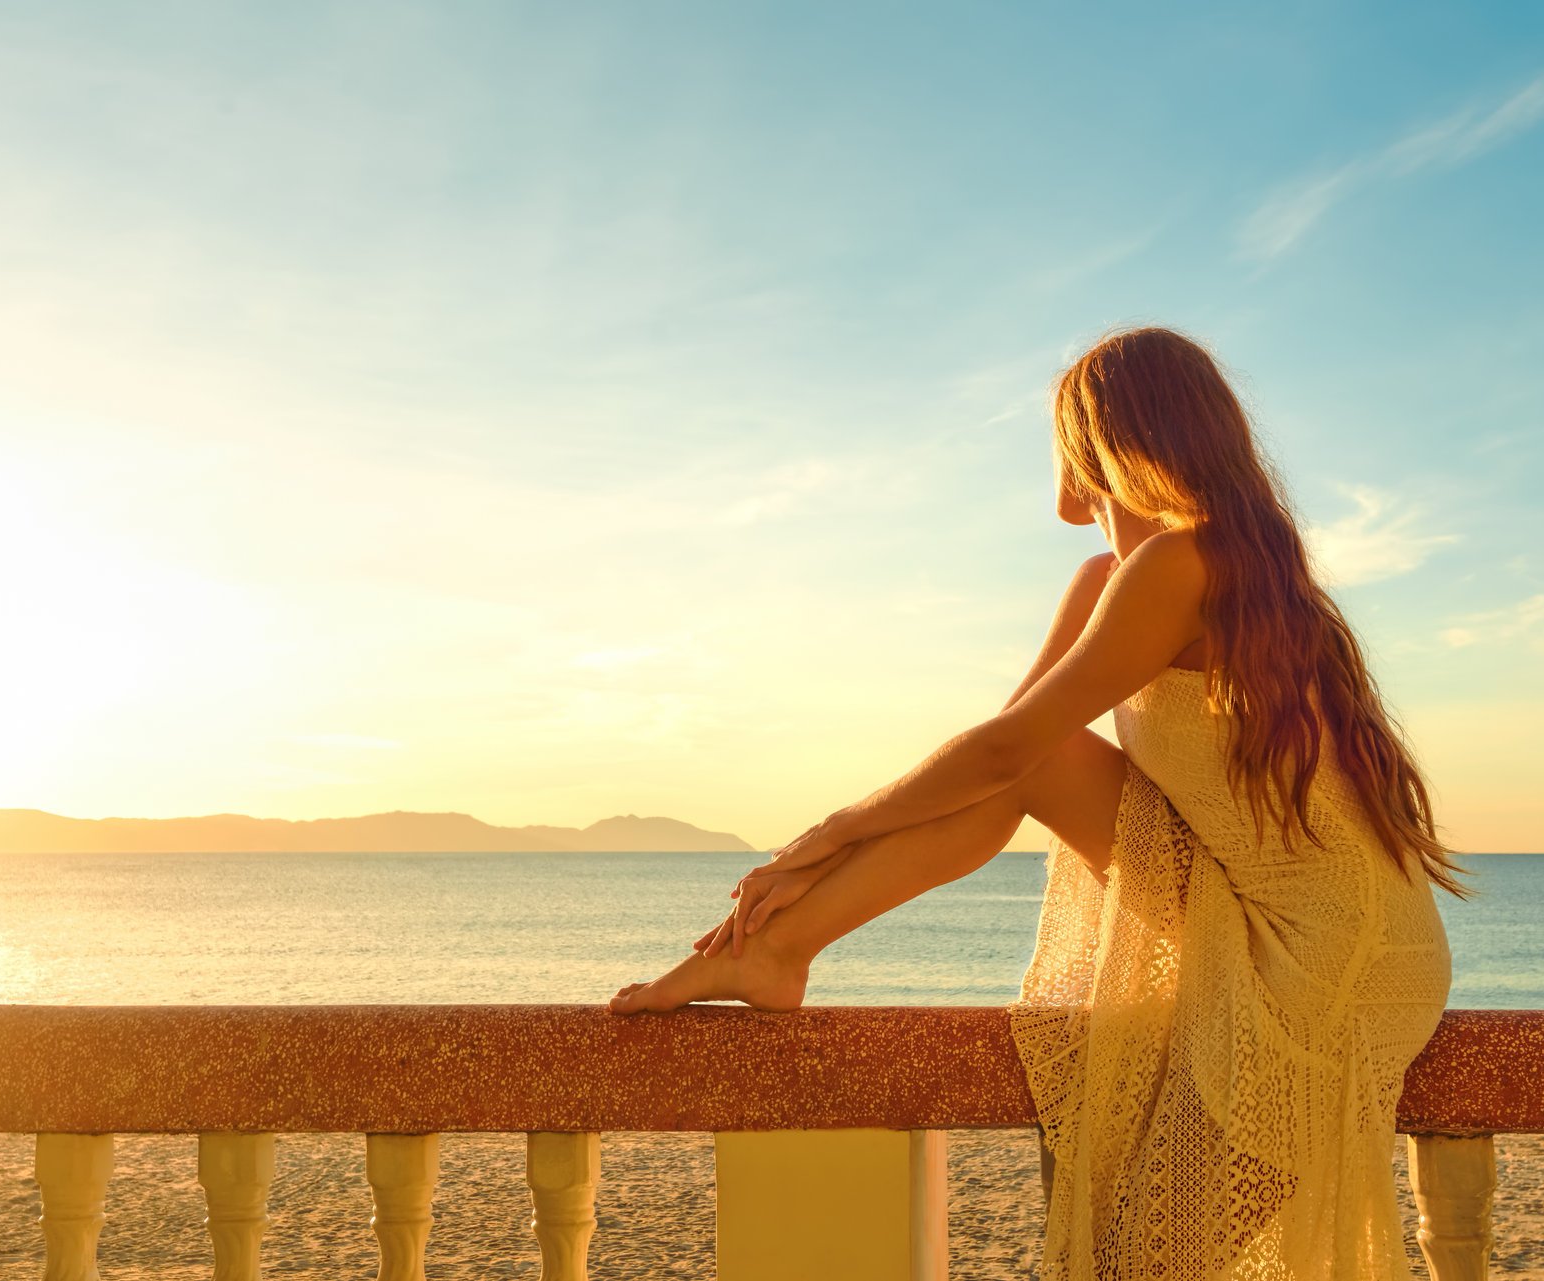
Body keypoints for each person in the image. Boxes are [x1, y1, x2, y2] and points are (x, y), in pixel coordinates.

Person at [606, 325, 1472, 1280]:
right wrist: (823, 856)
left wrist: (826, 832)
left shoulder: (1187, 563)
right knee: (1038, 760)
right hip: (1244, 910)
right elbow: (1005, 754)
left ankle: (776, 946)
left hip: (1336, 951)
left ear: (1103, 442)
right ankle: (775, 951)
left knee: (1149, 1264)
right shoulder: (1117, 576)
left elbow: (1006, 750)